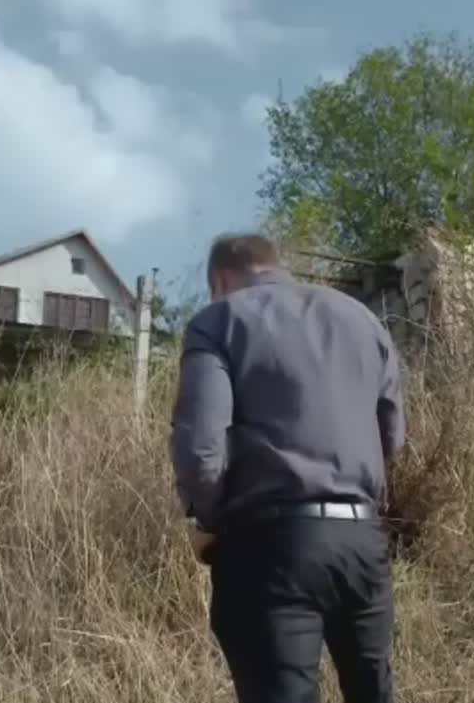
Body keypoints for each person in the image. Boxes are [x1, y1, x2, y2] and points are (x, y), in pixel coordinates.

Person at [170, 233, 406, 703]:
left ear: (220, 280)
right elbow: (393, 437)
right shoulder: (362, 319)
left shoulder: (219, 321)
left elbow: (201, 447)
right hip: (361, 543)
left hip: (269, 546)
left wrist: (207, 520)